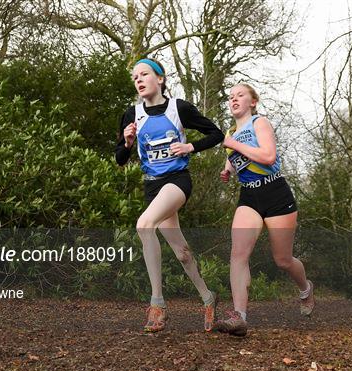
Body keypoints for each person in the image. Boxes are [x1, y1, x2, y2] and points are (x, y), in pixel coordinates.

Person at [115, 58, 224, 333]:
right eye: (135, 77)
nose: (139, 80)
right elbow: (119, 158)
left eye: (145, 74)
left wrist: (190, 147)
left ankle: (158, 304)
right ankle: (208, 298)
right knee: (182, 253)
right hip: (152, 187)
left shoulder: (180, 108)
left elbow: (216, 134)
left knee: (143, 225)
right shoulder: (132, 114)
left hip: (177, 181)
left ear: (160, 79)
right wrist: (127, 143)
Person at [215, 83, 315, 336]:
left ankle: (305, 289)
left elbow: (268, 157)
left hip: (276, 194)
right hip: (249, 196)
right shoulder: (231, 133)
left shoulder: (260, 123)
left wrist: (232, 144)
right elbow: (235, 156)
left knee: (282, 260)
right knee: (238, 253)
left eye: (240, 95)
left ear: (253, 102)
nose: (234, 99)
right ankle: (240, 316)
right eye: (230, 97)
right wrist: (228, 169)